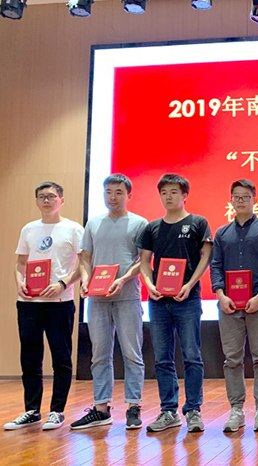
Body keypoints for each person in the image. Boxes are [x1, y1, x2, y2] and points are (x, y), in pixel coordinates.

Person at [68, 174, 148, 430]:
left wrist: (122, 279)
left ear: (129, 195)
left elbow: (143, 262)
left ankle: (133, 406)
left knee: (132, 354)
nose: (112, 197)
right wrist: (85, 281)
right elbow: (85, 259)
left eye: (118, 192)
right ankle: (101, 408)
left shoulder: (140, 223)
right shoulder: (93, 223)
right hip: (97, 299)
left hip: (128, 296)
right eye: (108, 192)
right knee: (99, 354)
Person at [4, 182, 84, 431]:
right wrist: (19, 283)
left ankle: (57, 411)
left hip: (59, 302)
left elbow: (84, 265)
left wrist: (63, 283)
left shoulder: (73, 229)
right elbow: (20, 263)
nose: (46, 201)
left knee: (61, 357)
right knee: (30, 356)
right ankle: (31, 410)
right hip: (29, 302)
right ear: (37, 200)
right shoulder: (29, 229)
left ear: (61, 199)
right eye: (41, 197)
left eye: (51, 196)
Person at [138, 174, 212, 433]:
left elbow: (206, 257)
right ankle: (168, 410)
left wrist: (189, 284)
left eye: (173, 192)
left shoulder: (197, 223)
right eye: (164, 193)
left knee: (192, 355)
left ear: (184, 195)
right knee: (162, 358)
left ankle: (193, 410)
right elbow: (144, 262)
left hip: (187, 299)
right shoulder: (152, 227)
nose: (168, 197)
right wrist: (149, 285)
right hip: (159, 301)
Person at [211, 179, 258, 433]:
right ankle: (236, 410)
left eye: (245, 197)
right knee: (232, 359)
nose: (241, 201)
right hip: (228, 305)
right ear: (231, 200)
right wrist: (220, 295)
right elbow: (215, 265)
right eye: (236, 197)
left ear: (254, 199)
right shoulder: (222, 233)